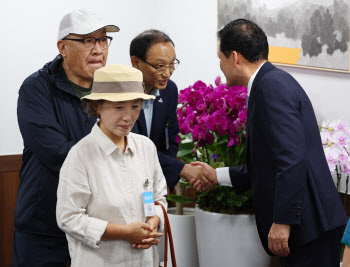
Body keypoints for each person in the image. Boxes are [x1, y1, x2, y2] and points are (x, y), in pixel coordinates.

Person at [191, 19, 347, 267]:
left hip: (310, 226)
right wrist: (216, 176)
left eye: (220, 58)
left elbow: (291, 159)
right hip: (310, 225)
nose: (219, 65)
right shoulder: (268, 83)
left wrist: (283, 221)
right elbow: (267, 165)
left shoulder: (270, 87)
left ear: (234, 57)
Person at [14, 9, 119, 266]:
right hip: (45, 228)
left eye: (103, 40)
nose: (98, 49)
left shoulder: (113, 88)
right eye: (87, 40)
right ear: (63, 47)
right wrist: (112, 161)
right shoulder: (36, 88)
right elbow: (56, 152)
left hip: (100, 227)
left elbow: (129, 144)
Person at [56, 64, 167, 267]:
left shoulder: (146, 147)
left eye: (135, 106)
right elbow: (68, 217)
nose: (128, 116)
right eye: (119, 107)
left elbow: (158, 196)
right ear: (97, 106)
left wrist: (153, 221)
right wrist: (125, 233)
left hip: (144, 260)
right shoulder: (81, 155)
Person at [130, 29, 203, 192]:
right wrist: (180, 169)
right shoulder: (121, 94)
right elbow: (133, 146)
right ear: (135, 62)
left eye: (172, 64)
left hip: (154, 180)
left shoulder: (169, 90)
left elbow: (172, 137)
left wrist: (166, 179)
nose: (168, 73)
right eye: (160, 66)